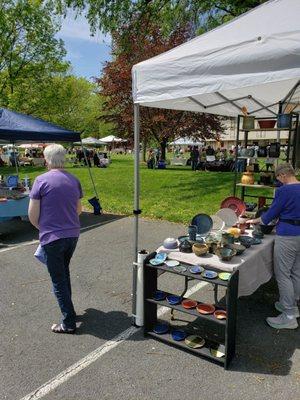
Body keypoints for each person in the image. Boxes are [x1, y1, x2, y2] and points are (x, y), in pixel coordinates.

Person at [28, 144, 83, 334]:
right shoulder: (74, 180)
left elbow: (32, 214)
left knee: (58, 279)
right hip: (72, 235)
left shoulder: (41, 180)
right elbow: (79, 209)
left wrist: (43, 228)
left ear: (47, 159)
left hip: (53, 236)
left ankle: (68, 323)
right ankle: (71, 313)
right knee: (63, 273)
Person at [247, 163, 300, 330]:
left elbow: (269, 215)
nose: (280, 182)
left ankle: (289, 315)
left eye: (279, 179)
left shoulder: (284, 191)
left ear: (283, 175)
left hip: (288, 235)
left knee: (283, 274)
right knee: (296, 272)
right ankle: (293, 306)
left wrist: (251, 220)